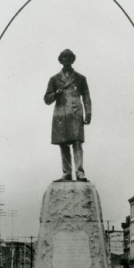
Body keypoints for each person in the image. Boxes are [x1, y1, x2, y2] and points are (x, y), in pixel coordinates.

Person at [44, 49, 92, 181]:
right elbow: (47, 99)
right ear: (60, 59)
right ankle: (67, 172)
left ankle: (79, 172)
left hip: (75, 113)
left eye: (69, 57)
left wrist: (88, 113)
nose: (67, 59)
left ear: (73, 59)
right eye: (64, 57)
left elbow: (86, 96)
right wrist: (55, 94)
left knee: (77, 143)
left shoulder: (80, 78)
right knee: (63, 144)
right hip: (61, 114)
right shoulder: (54, 79)